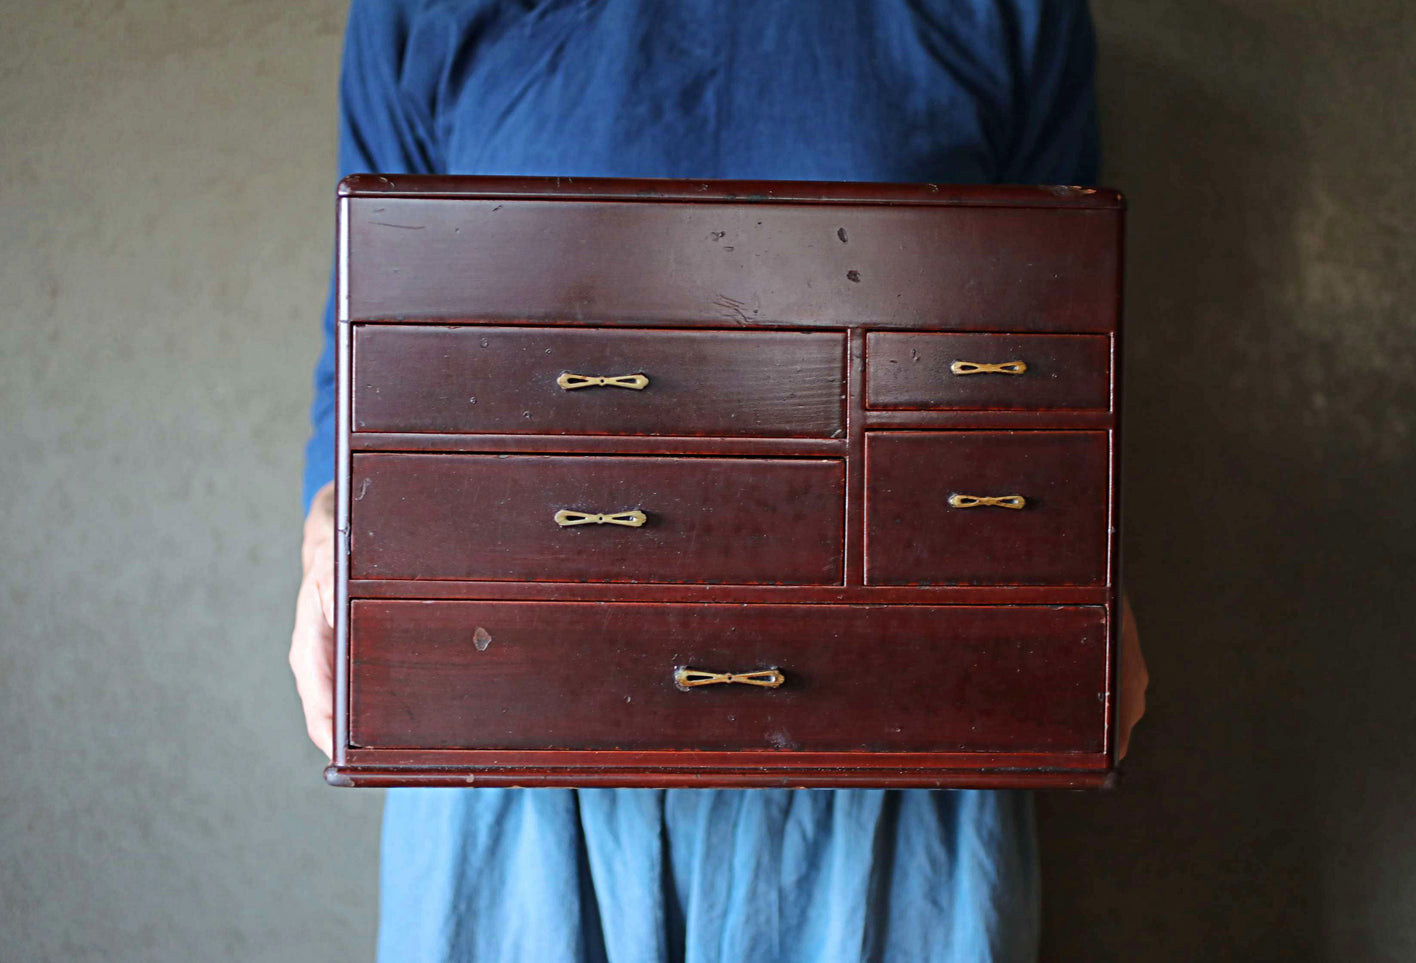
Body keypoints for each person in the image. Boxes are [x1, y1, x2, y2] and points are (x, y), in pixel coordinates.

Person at [289, 2, 1148, 960]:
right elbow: (367, 329)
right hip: (514, 742)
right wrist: (332, 525)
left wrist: (1082, 563)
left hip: (895, 741)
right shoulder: (420, 12)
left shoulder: (1013, 14)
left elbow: (1059, 333)